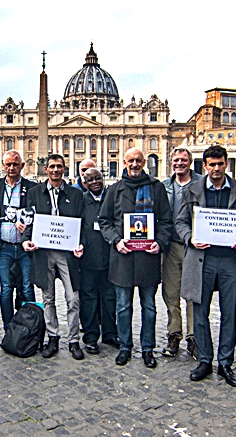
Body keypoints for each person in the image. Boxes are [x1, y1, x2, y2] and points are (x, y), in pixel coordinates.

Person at [175, 145, 236, 388]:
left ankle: (225, 362)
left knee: (229, 313)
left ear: (226, 164)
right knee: (200, 312)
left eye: (220, 164)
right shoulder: (192, 190)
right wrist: (190, 238)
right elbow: (180, 222)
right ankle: (205, 360)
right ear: (205, 166)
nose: (216, 168)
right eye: (212, 164)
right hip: (202, 259)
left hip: (231, 260)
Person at [98, 148, 172, 368]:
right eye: (131, 160)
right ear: (124, 162)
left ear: (144, 162)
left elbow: (166, 221)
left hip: (148, 257)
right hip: (123, 256)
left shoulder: (156, 188)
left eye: (139, 160)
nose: (135, 164)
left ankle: (148, 348)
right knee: (123, 306)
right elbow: (105, 221)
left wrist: (160, 242)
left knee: (149, 306)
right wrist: (115, 240)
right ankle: (125, 347)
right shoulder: (114, 190)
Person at [22, 154, 85, 360]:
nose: (56, 170)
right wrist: (25, 239)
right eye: (52, 167)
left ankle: (74, 340)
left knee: (73, 298)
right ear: (46, 169)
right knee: (48, 298)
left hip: (68, 253)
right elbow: (28, 220)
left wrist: (81, 243)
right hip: (43, 252)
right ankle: (53, 336)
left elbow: (81, 223)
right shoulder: (34, 193)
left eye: (59, 166)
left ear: (64, 169)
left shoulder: (75, 195)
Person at [0, 150, 38, 330]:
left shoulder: (32, 188)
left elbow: (37, 216)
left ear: (22, 166)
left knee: (27, 287)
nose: (11, 168)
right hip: (3, 245)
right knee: (6, 289)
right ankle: (8, 327)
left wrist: (29, 228)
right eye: (8, 164)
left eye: (15, 164)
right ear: (3, 166)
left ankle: (30, 326)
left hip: (24, 246)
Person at [161, 147, 201, 359]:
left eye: (183, 160)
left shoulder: (202, 184)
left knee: (193, 294)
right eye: (176, 160)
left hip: (194, 246)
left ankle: (193, 337)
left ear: (190, 162)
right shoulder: (165, 186)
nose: (179, 163)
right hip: (170, 245)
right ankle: (174, 334)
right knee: (171, 293)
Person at [78, 168, 118, 354]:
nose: (94, 182)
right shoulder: (81, 201)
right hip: (88, 258)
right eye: (90, 179)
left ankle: (110, 333)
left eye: (97, 178)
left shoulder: (111, 197)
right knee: (89, 299)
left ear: (103, 179)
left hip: (110, 256)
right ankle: (91, 336)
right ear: (84, 183)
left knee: (110, 298)